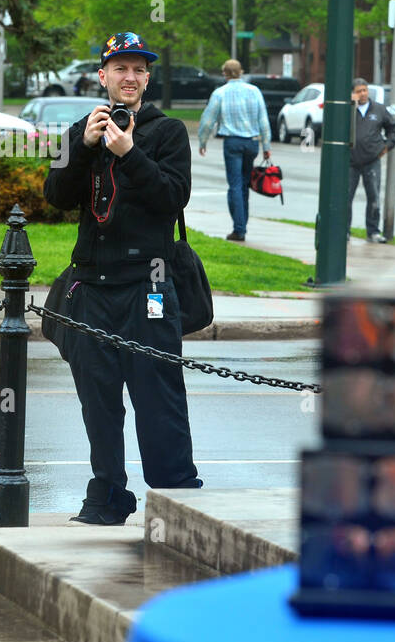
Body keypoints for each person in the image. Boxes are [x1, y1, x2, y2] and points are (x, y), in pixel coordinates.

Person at [43, 31, 202, 525]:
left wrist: (130, 153)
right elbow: (55, 194)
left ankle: (177, 497)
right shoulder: (83, 130)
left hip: (148, 287)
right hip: (92, 286)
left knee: (159, 397)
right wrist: (84, 144)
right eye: (120, 69)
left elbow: (171, 198)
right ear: (103, 76)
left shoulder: (167, 132)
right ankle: (108, 494)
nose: (129, 77)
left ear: (147, 78)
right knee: (99, 400)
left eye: (138, 70)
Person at [198, 60, 270, 242]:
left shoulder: (220, 93)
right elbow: (263, 120)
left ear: (224, 74)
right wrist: (266, 147)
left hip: (232, 142)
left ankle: (239, 228)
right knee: (244, 184)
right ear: (241, 72)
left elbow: (208, 120)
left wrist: (202, 141)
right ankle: (242, 225)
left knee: (235, 185)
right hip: (252, 143)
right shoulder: (254, 91)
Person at [348, 77, 395, 243]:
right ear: (352, 93)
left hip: (371, 161)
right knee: (346, 197)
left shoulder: (379, 110)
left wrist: (386, 146)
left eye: (364, 90)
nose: (362, 94)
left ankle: (373, 232)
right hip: (350, 162)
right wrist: (351, 106)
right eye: (358, 91)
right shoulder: (348, 110)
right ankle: (344, 231)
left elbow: (392, 128)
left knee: (374, 197)